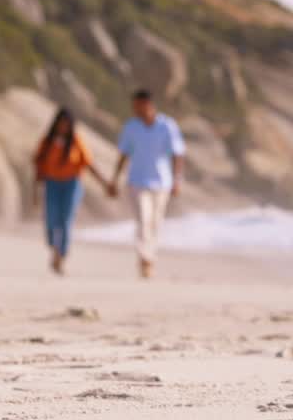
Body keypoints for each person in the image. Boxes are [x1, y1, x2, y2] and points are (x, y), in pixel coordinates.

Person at [108, 89, 185, 279]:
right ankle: (145, 259)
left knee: (155, 223)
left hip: (162, 182)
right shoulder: (131, 127)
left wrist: (177, 180)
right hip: (137, 181)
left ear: (147, 104)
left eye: (137, 105)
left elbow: (177, 153)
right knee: (143, 220)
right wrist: (115, 179)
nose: (134, 109)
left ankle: (149, 256)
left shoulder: (167, 126)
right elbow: (124, 154)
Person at [33, 108, 110, 275]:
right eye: (61, 123)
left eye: (67, 124)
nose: (63, 127)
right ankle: (54, 248)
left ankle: (60, 256)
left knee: (66, 220)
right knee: (52, 219)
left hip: (72, 184)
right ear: (56, 123)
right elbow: (38, 167)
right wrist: (35, 192)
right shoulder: (47, 142)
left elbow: (89, 164)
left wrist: (104, 183)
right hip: (52, 183)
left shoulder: (76, 141)